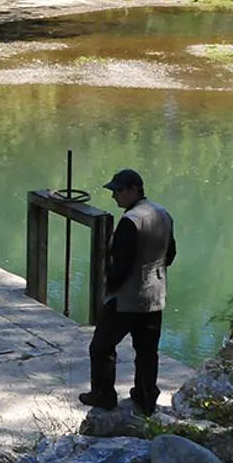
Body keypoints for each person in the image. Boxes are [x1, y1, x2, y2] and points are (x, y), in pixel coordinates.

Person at [80, 168, 176, 415]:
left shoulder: (130, 221)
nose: (115, 196)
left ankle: (103, 395)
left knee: (101, 347)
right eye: (113, 190)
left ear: (136, 190)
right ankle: (145, 398)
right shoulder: (163, 214)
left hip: (127, 298)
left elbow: (120, 265)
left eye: (119, 190)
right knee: (146, 350)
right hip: (155, 296)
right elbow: (171, 255)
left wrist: (109, 292)